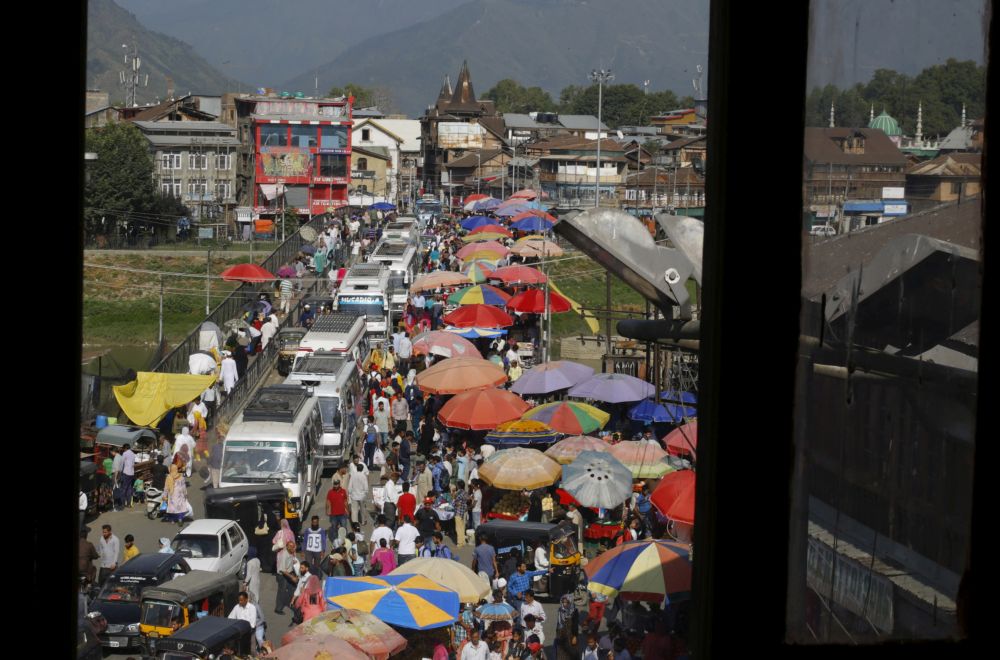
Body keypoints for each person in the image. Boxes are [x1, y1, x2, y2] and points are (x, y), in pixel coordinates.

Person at [274, 540, 299, 615]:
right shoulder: (284, 555)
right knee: (282, 591)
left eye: (293, 546)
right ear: (287, 547)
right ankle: (278, 609)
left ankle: (294, 605)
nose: (292, 547)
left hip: (289, 573)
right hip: (282, 575)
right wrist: (292, 577)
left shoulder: (291, 552)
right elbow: (282, 570)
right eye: (290, 546)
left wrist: (293, 562)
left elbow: (290, 561)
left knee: (293, 589)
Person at [554, 594, 580, 660]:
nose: (564, 604)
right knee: (561, 651)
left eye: (567, 602)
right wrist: (558, 634)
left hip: (570, 634)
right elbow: (559, 623)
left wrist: (575, 636)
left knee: (570, 651)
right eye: (563, 602)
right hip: (561, 634)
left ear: (570, 602)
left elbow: (575, 624)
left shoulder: (574, 611)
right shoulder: (560, 610)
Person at [348, 463, 369, 527]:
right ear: (362, 469)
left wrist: (350, 493)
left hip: (354, 496)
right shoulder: (363, 476)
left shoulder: (353, 475)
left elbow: (350, 486)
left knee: (354, 509)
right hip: (362, 496)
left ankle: (355, 522)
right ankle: (363, 521)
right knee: (363, 509)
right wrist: (366, 493)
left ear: (357, 468)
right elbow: (366, 486)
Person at [453, 480, 469, 547]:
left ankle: (459, 543)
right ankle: (463, 541)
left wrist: (453, 494)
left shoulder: (458, 493)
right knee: (462, 527)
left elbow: (454, 502)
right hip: (463, 512)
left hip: (458, 512)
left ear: (458, 486)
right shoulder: (465, 492)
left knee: (458, 528)